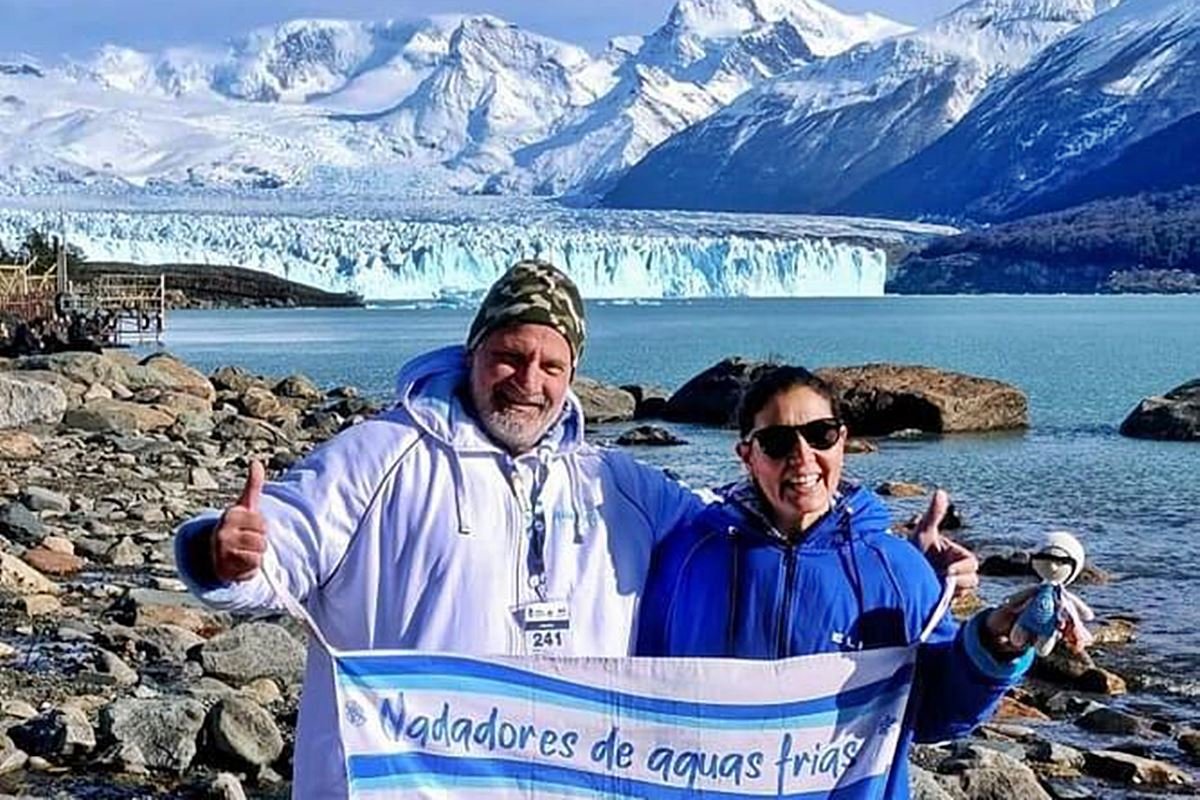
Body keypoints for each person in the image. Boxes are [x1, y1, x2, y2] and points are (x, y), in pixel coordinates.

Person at [174, 260, 976, 798]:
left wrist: (891, 554)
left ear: (572, 374)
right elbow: (278, 546)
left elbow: (750, 527)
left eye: (551, 365)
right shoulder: (381, 456)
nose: (529, 381)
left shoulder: (614, 483)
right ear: (475, 352)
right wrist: (226, 550)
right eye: (511, 356)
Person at [636, 365, 1038, 799]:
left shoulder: (897, 569)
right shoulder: (688, 556)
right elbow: (640, 686)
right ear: (747, 455)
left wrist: (995, 643)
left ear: (843, 440)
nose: (802, 456)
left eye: (820, 434)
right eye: (776, 441)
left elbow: (939, 714)